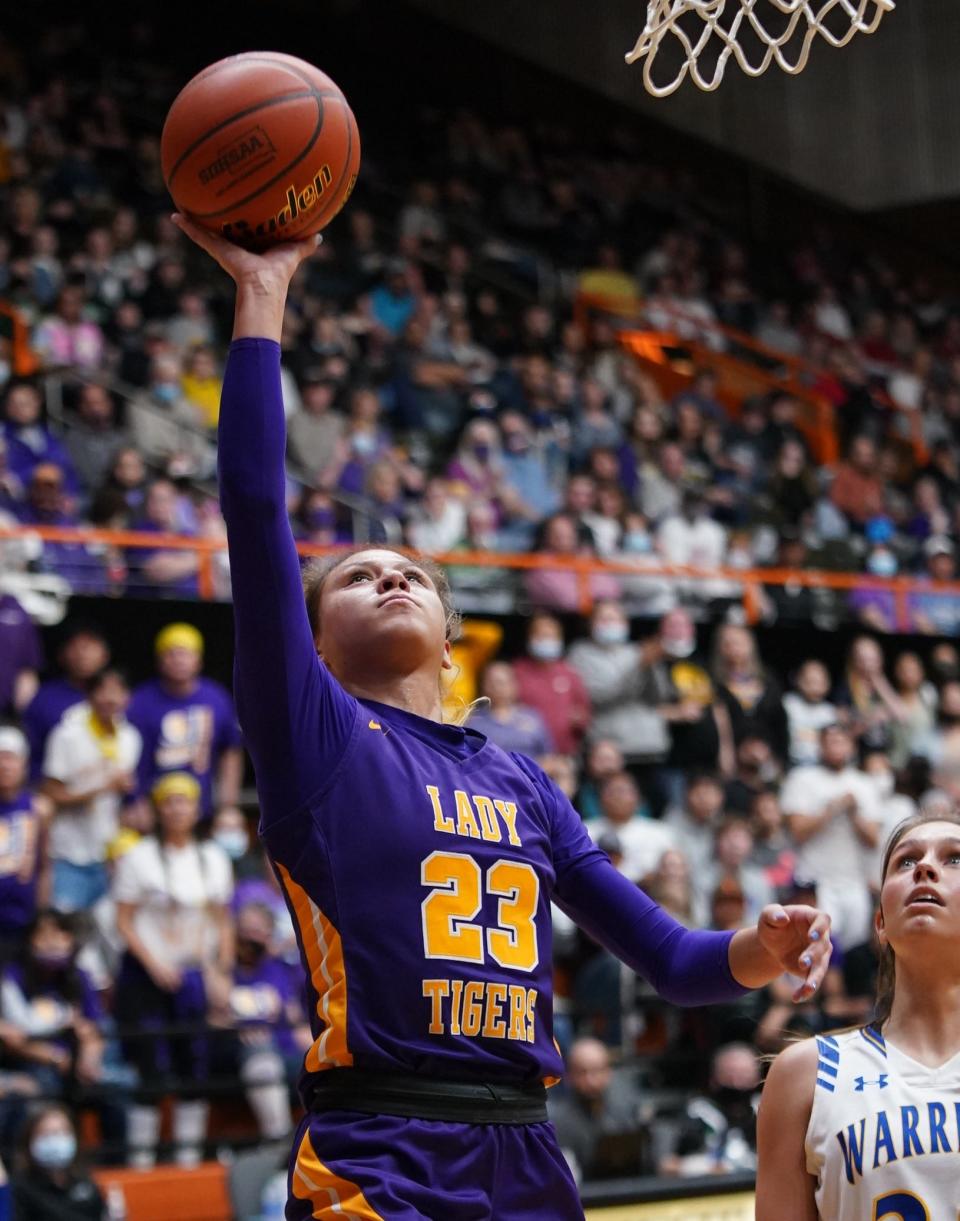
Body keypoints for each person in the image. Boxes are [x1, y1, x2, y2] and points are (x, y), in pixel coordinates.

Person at [175, 213, 832, 1221]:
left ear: (449, 640)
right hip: (379, 1149)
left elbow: (672, 962)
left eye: (411, 575)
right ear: (310, 637)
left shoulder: (520, 780)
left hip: (526, 1153)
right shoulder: (314, 734)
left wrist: (762, 949)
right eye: (357, 575)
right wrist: (263, 294)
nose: (389, 575)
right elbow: (257, 508)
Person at [757, 812, 960, 1220]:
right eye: (906, 861)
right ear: (880, 924)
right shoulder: (808, 1073)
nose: (924, 867)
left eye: (954, 858)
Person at [112, 772, 234, 1167]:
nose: (178, 808)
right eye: (169, 801)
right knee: (150, 1068)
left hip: (194, 972)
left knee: (194, 1067)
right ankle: (141, 1162)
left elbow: (222, 919)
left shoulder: (213, 857)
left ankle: (188, 1160)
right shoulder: (139, 856)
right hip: (146, 974)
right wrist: (154, 963)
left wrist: (220, 970)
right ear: (158, 808)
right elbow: (124, 920)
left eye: (185, 801)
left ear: (197, 809)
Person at [40, 666, 141, 912]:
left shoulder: (130, 737)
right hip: (68, 853)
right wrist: (103, 788)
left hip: (108, 853)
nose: (110, 698)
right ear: (90, 695)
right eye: (103, 690)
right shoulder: (67, 734)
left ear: (128, 698)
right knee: (67, 930)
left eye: (118, 691)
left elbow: (123, 797)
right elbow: (50, 793)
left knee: (105, 938)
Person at [780, 724, 884, 951]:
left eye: (841, 741)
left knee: (853, 946)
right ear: (820, 746)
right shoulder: (802, 779)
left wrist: (854, 813)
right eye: (830, 741)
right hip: (815, 879)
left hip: (853, 879)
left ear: (852, 746)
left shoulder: (864, 784)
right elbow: (797, 832)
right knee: (819, 945)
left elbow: (874, 839)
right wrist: (831, 810)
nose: (835, 747)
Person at [127, 622, 243, 822]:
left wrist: (228, 805)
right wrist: (135, 801)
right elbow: (127, 756)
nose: (178, 660)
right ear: (159, 661)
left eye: (186, 653)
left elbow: (231, 752)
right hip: (151, 809)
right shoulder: (139, 700)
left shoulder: (215, 697)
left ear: (199, 660)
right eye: (171, 653)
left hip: (202, 808)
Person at [548, 1037, 650, 1183]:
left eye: (597, 1071)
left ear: (608, 1072)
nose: (591, 1081)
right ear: (569, 1075)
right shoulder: (556, 1122)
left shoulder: (625, 1113)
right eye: (582, 1072)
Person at [20, 621, 110, 785]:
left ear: (105, 655)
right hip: (55, 791)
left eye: (90, 646)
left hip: (106, 789)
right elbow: (31, 751)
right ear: (61, 655)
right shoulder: (44, 698)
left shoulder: (117, 695)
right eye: (75, 646)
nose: (83, 653)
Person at [10, 1104, 107, 1221]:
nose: (55, 1140)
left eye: (62, 1132)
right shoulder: (19, 1189)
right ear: (30, 1141)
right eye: (46, 1134)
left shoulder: (85, 1182)